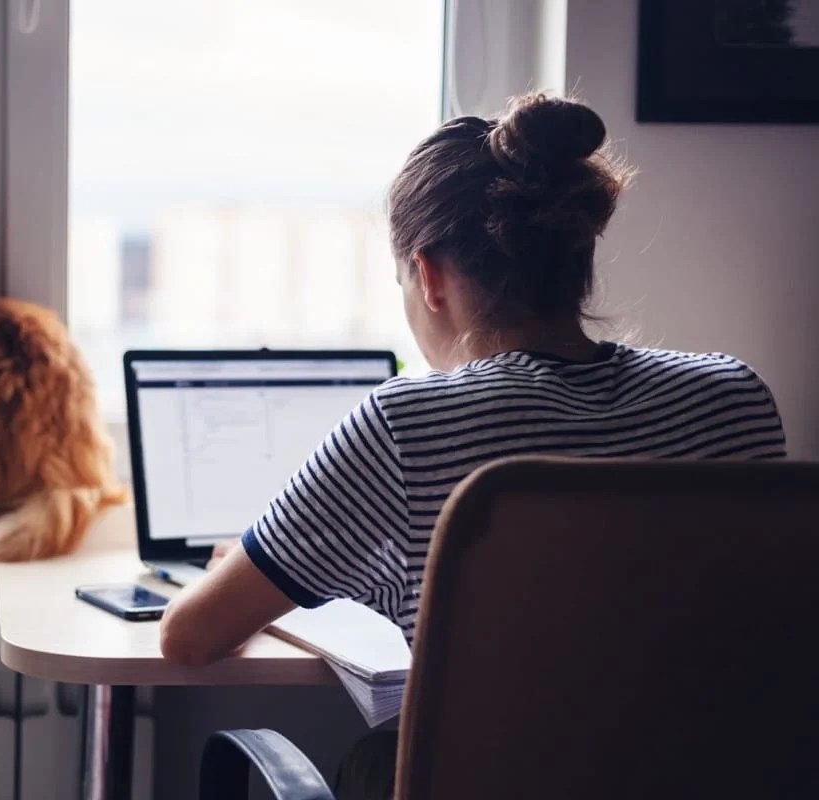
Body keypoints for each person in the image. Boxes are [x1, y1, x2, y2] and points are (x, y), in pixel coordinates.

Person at [158, 94, 787, 799]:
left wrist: (252, 570)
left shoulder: (407, 423)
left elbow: (190, 636)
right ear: (579, 254)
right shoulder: (734, 397)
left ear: (427, 276)